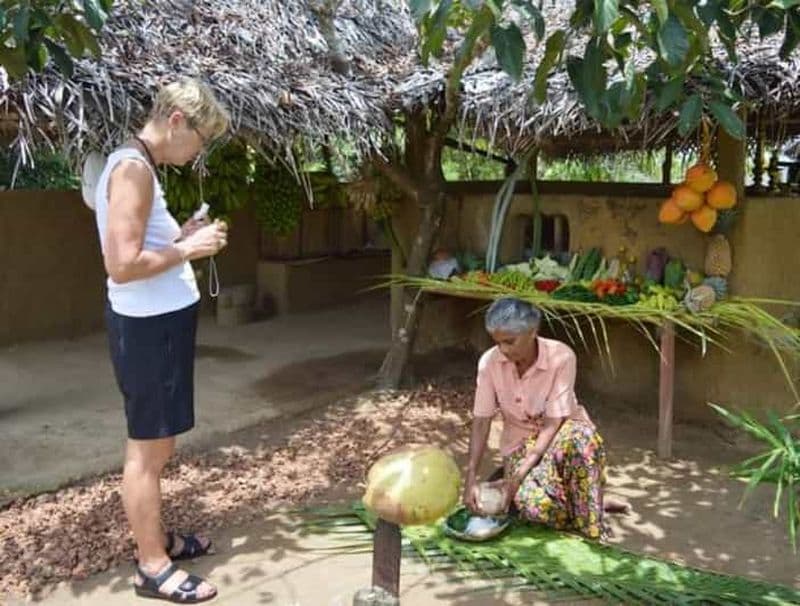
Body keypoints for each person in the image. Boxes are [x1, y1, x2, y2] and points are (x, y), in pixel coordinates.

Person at [94, 77, 230, 602]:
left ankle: (159, 541)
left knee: (159, 444)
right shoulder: (132, 169)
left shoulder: (141, 165)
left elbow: (142, 248)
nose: (198, 150)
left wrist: (178, 237)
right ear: (177, 120)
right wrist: (189, 250)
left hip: (160, 325)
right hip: (147, 330)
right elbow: (122, 265)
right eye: (200, 138)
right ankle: (152, 565)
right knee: (147, 452)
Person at [463, 297, 610, 540]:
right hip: (520, 445)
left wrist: (516, 478)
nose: (504, 350)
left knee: (582, 439)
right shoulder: (489, 363)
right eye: (498, 343)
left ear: (532, 332)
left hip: (561, 439)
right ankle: (584, 500)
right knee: (534, 507)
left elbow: (553, 423)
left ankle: (591, 522)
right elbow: (481, 421)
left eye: (510, 342)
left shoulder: (561, 357)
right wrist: (470, 478)